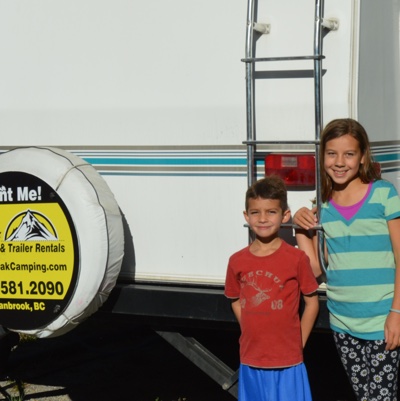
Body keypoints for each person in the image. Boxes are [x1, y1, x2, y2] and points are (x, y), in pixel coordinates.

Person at [293, 118, 400, 401]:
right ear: (323, 157)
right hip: (342, 322)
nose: (339, 162)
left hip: (381, 321)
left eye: (349, 154)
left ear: (363, 156)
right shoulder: (324, 205)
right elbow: (316, 267)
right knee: (363, 396)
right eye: (332, 154)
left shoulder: (383, 194)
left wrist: (397, 314)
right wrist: (300, 228)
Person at [225, 175, 319, 401]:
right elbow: (235, 299)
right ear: (246, 216)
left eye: (271, 212)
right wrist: (249, 327)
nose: (263, 218)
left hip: (289, 362)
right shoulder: (237, 260)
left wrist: (299, 342)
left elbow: (312, 303)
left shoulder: (296, 258)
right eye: (255, 212)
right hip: (251, 359)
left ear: (285, 215)